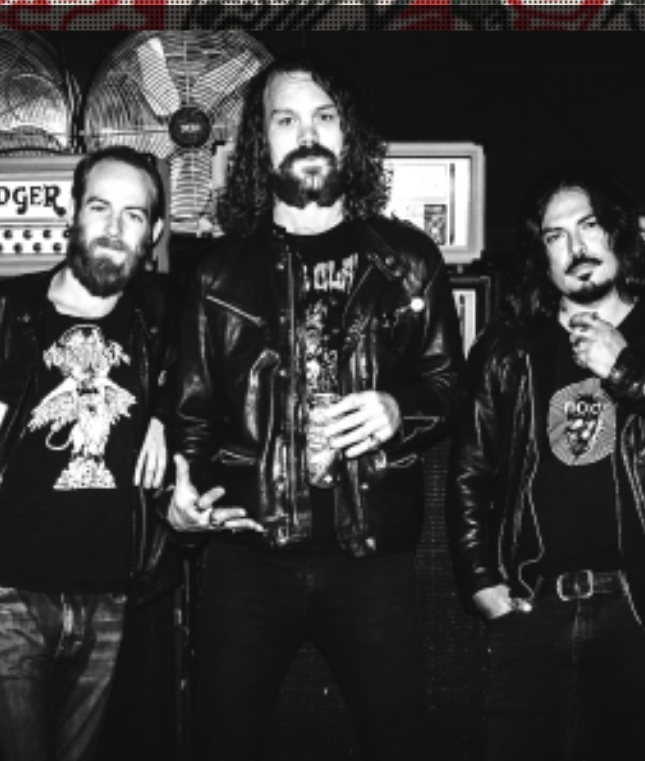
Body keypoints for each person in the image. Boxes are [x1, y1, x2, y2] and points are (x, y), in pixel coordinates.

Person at [164, 51, 465, 761]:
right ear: (259, 143)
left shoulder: (409, 260)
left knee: (401, 743)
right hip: (246, 558)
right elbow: (191, 414)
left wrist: (400, 412)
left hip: (372, 560)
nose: (307, 134)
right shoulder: (215, 273)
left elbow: (451, 387)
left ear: (347, 135)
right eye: (286, 120)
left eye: (324, 117)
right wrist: (180, 502)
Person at [445, 161, 645, 761]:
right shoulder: (508, 347)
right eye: (555, 235)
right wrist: (479, 579)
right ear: (540, 255)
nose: (576, 248)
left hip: (640, 605)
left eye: (589, 226)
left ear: (619, 231)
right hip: (531, 605)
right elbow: (470, 471)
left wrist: (626, 369)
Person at [0, 145, 179, 761]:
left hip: (108, 597)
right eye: (100, 207)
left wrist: (165, 417)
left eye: (133, 215)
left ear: (155, 232)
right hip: (4, 595)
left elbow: (206, 381)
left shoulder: (164, 315)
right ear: (72, 213)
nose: (113, 228)